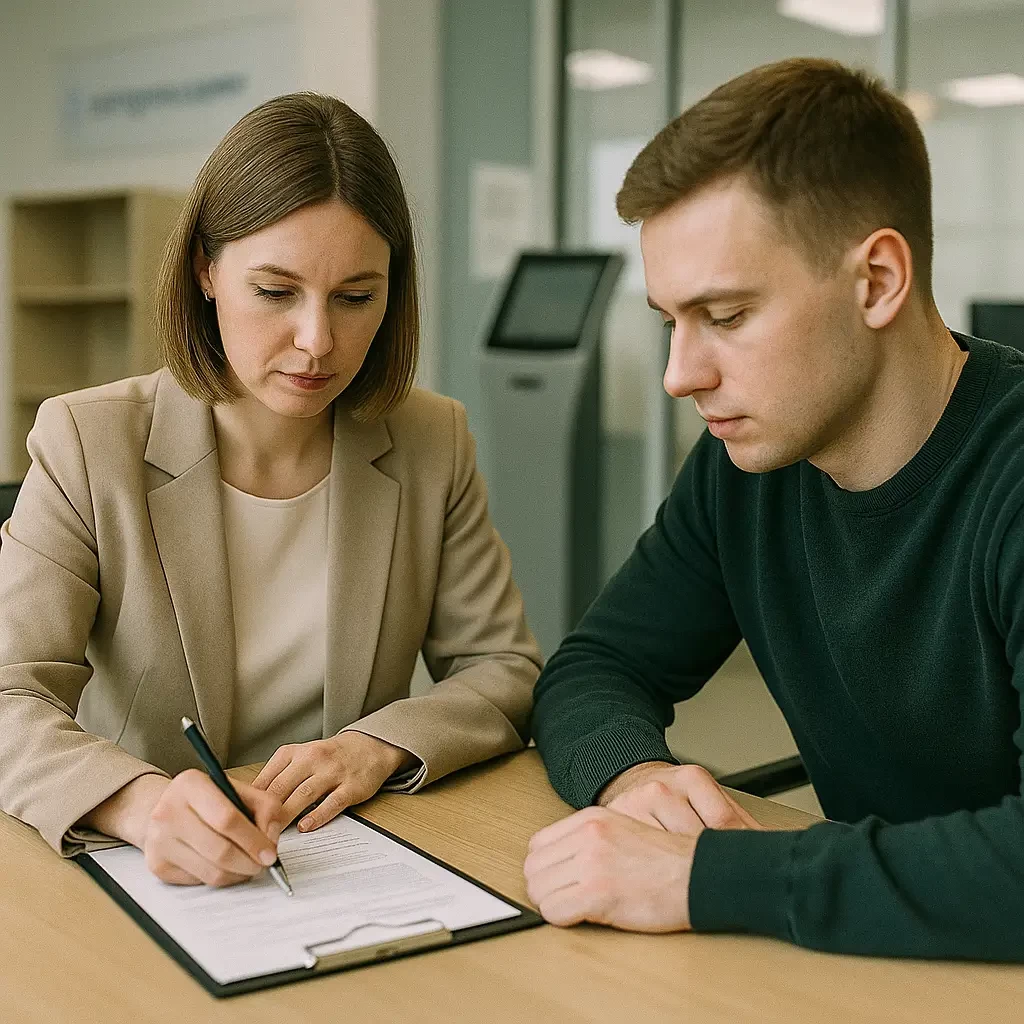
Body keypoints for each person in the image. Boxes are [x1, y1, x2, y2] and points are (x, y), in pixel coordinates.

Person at [524, 57, 1024, 961]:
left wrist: (700, 877)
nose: (682, 374)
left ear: (877, 281)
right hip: (886, 964)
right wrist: (632, 778)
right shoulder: (745, 468)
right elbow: (595, 667)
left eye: (726, 314)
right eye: (670, 320)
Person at [0, 92, 540, 889]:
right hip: (148, 868)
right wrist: (141, 805)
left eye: (357, 297)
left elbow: (503, 666)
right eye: (276, 292)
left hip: (352, 859)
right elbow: (10, 692)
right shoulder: (88, 442)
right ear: (206, 271)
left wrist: (375, 747)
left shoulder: (432, 439)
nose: (318, 341)